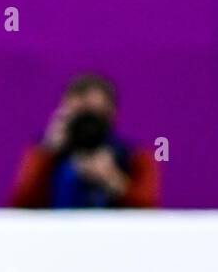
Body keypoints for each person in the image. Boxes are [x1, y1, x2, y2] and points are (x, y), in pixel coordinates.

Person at [9, 73, 158, 209]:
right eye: (81, 114)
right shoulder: (43, 153)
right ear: (64, 112)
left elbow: (149, 211)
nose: (88, 124)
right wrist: (46, 154)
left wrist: (113, 180)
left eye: (96, 114)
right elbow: (20, 206)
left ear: (112, 114)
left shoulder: (135, 157)